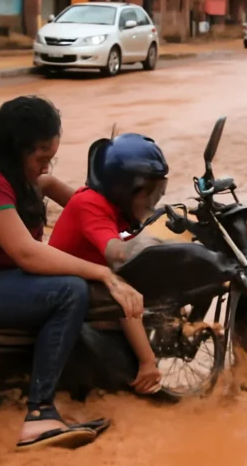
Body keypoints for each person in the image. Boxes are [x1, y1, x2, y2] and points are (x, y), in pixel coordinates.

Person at [0, 96, 144, 451]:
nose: (46, 167)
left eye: (51, 158)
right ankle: (40, 414)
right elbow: (27, 253)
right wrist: (104, 273)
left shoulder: (30, 181)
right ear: (15, 149)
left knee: (74, 283)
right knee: (70, 290)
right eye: (41, 158)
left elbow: (85, 204)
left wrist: (130, 205)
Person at [49, 133, 169, 396]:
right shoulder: (92, 205)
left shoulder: (110, 205)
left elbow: (47, 182)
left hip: (85, 276)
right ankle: (147, 364)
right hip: (65, 283)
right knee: (124, 290)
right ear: (125, 189)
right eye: (149, 193)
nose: (153, 200)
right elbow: (115, 252)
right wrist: (153, 246)